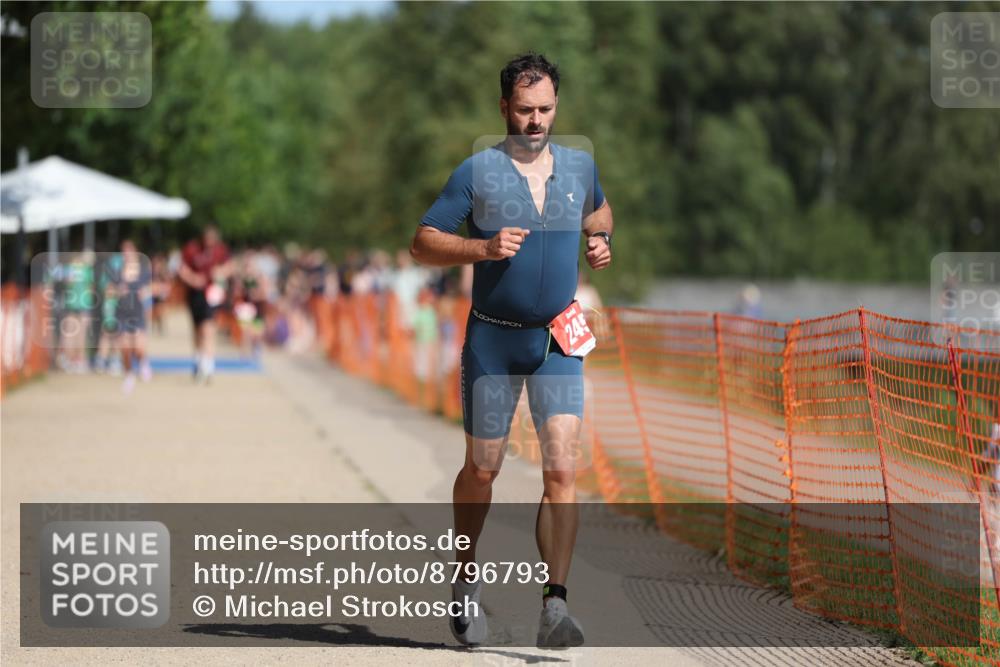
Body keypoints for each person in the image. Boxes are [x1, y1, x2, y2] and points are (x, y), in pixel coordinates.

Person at [410, 53, 613, 648]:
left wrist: (599, 239)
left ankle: (556, 605)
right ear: (504, 108)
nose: (536, 121)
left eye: (546, 109)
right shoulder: (477, 172)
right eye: (524, 110)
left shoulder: (578, 166)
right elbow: (423, 242)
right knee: (483, 467)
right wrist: (484, 248)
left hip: (558, 338)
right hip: (494, 339)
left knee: (561, 466)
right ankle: (465, 578)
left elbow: (599, 209)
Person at [178, 225, 231, 383]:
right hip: (195, 295)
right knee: (197, 330)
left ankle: (208, 367)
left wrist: (220, 273)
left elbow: (229, 267)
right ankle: (198, 360)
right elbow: (182, 269)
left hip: (211, 295)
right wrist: (193, 279)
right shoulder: (192, 249)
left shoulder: (220, 250)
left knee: (208, 329)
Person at [109, 239, 153, 393]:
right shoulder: (117, 271)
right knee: (125, 348)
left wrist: (145, 293)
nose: (126, 254)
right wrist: (117, 291)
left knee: (139, 348)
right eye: (124, 251)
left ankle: (143, 362)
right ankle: (129, 375)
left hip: (138, 312)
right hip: (122, 313)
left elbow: (152, 287)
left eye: (129, 251)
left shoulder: (143, 271)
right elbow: (108, 291)